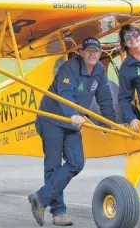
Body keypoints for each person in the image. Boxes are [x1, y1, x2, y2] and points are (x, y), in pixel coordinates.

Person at [28, 37, 117, 226]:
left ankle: (40, 198)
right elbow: (65, 95)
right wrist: (74, 114)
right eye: (89, 51)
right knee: (52, 165)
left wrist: (111, 124)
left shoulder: (99, 70)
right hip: (52, 118)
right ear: (82, 53)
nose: (92, 54)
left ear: (100, 53)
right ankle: (59, 212)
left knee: (76, 162)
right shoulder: (69, 68)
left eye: (96, 51)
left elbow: (105, 99)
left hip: (72, 122)